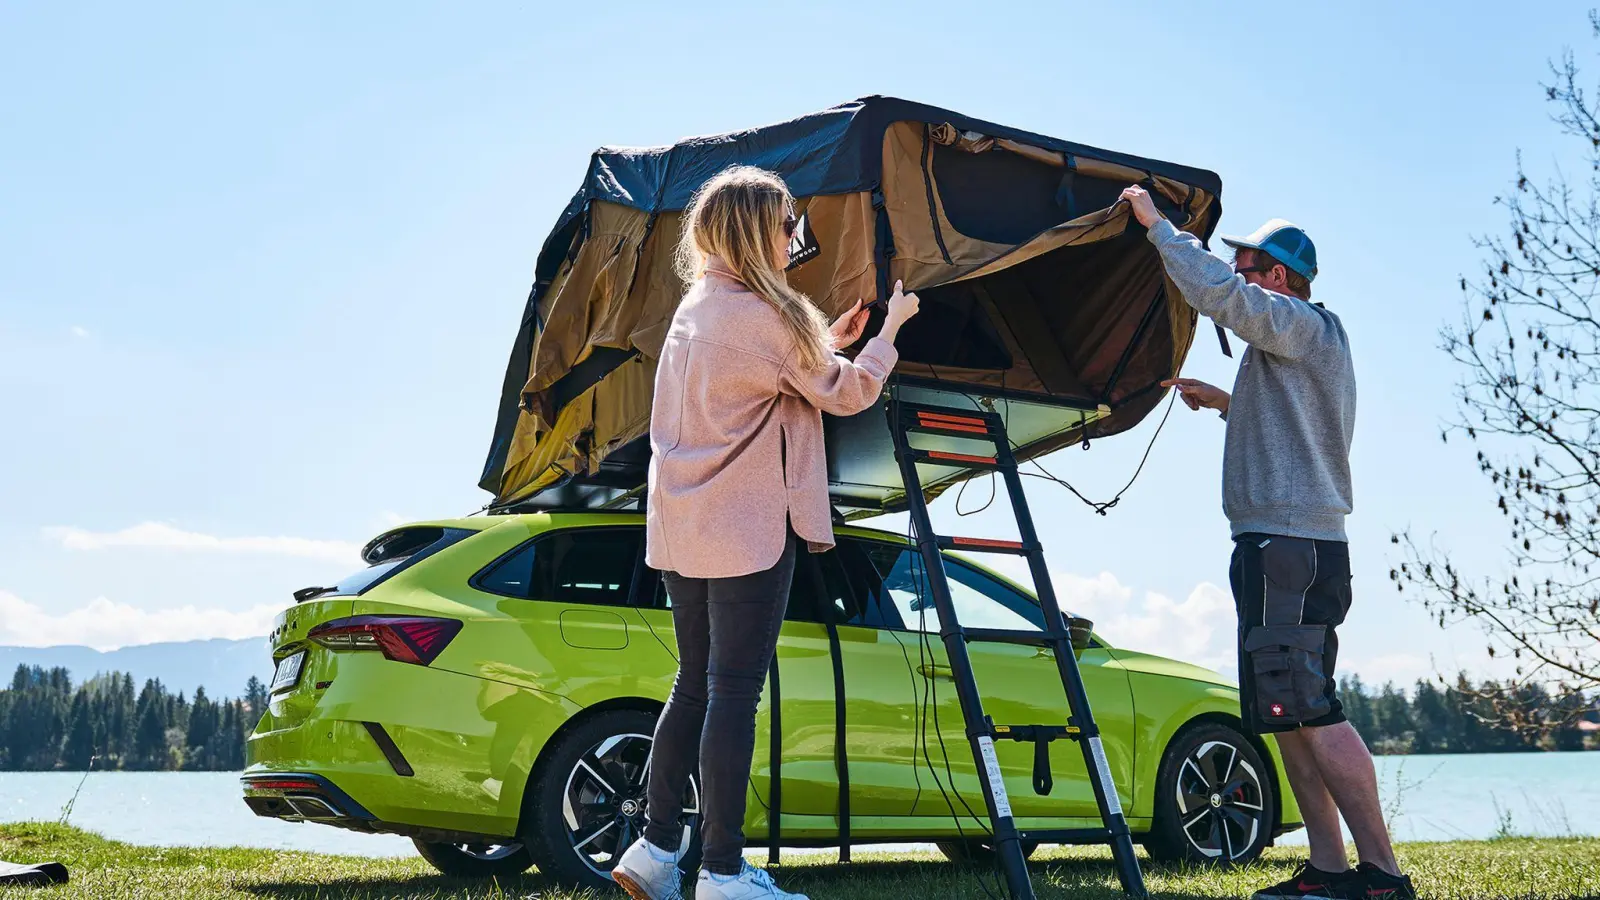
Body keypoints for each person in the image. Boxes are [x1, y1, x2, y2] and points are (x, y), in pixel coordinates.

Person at [612, 166, 919, 900]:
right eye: (789, 227)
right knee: (735, 692)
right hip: (748, 530)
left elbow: (784, 371)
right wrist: (889, 334)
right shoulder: (763, 319)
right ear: (757, 230)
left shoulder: (699, 308)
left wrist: (827, 338)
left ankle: (654, 854)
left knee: (693, 686)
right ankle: (721, 871)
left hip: (684, 527)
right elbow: (846, 392)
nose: (795, 240)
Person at [1119, 185, 1415, 900]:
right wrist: (1226, 403)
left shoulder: (1302, 325)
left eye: (1248, 266)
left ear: (1278, 277)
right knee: (1284, 715)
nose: (1239, 276)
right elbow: (1296, 437)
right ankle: (1328, 869)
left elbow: (1223, 297)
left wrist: (1159, 228)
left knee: (1312, 708)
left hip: (1290, 549)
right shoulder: (1297, 346)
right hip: (1276, 546)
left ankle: (1381, 876)